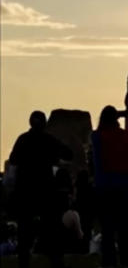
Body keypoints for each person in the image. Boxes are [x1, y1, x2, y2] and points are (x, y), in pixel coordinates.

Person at [8, 111, 72, 268]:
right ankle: (56, 260)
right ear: (45, 124)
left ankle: (24, 261)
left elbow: (13, 159)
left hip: (25, 191)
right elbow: (68, 154)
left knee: (24, 229)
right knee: (51, 228)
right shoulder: (49, 140)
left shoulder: (22, 139)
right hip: (45, 190)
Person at [91, 106, 128, 268]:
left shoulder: (96, 137)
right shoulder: (126, 136)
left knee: (107, 229)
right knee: (125, 228)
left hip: (103, 187)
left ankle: (108, 262)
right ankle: (127, 261)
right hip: (124, 186)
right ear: (116, 119)